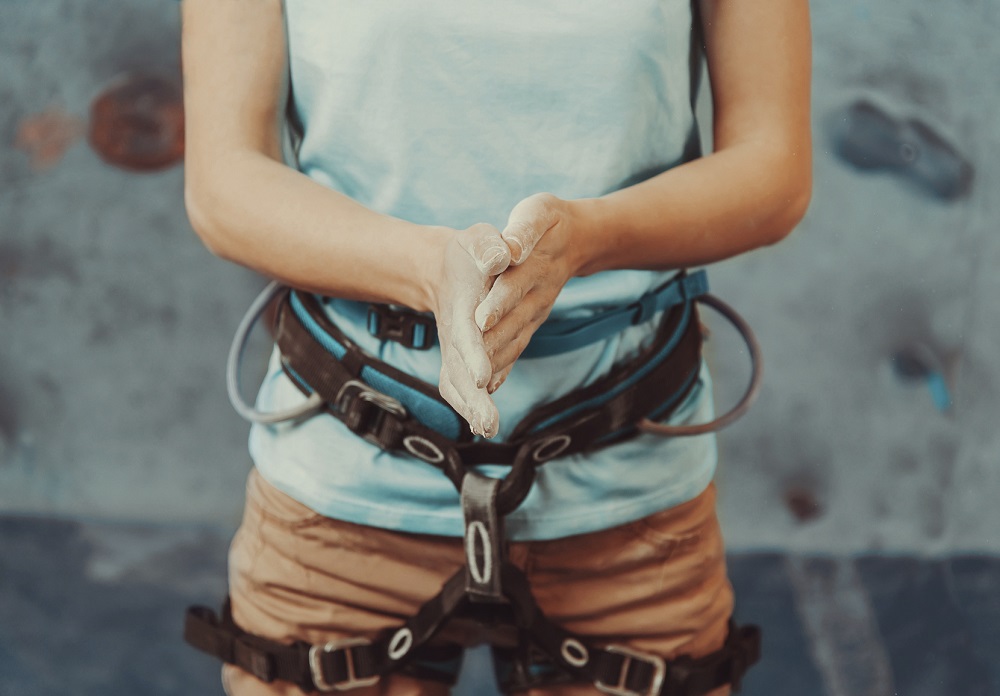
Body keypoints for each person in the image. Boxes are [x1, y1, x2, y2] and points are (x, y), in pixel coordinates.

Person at [180, 0, 812, 694]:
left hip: (628, 497)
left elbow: (773, 167)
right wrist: (424, 265)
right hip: (343, 485)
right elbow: (224, 183)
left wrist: (590, 237)